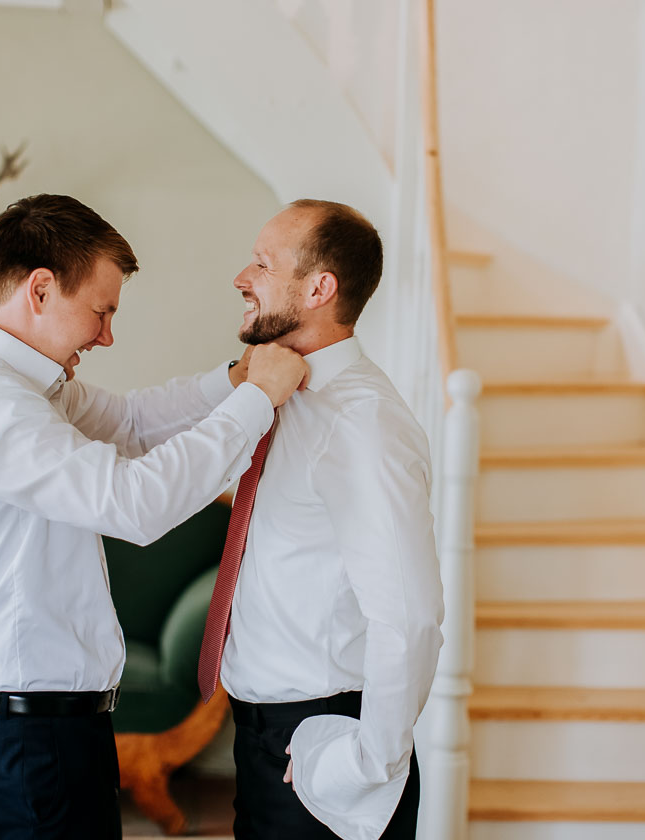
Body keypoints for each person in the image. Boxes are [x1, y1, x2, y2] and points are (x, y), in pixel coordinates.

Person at [0, 193, 307, 840]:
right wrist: (259, 399)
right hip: (24, 747)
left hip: (50, 736)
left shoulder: (25, 387)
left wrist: (237, 380)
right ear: (40, 290)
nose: (107, 335)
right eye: (100, 310)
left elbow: (131, 422)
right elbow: (134, 504)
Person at [198, 199, 444, 840]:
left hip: (323, 747)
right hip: (262, 742)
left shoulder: (363, 424)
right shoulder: (283, 396)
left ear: (318, 289)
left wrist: (365, 761)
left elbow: (411, 616)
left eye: (262, 262)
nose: (240, 277)